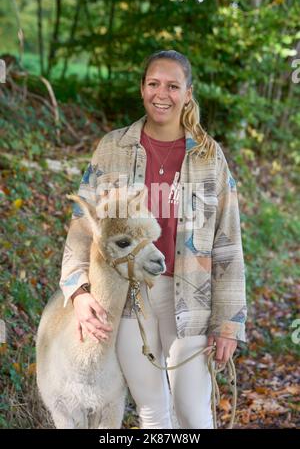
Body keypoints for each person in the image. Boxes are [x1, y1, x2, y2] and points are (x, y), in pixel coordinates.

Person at [59, 49, 247, 429]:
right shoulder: (113, 148)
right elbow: (83, 225)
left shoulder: (210, 157)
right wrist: (78, 291)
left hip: (191, 298)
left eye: (173, 85)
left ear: (188, 93)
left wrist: (228, 323)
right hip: (128, 297)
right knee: (152, 412)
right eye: (153, 83)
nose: (162, 93)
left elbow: (228, 242)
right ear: (142, 88)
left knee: (193, 412)